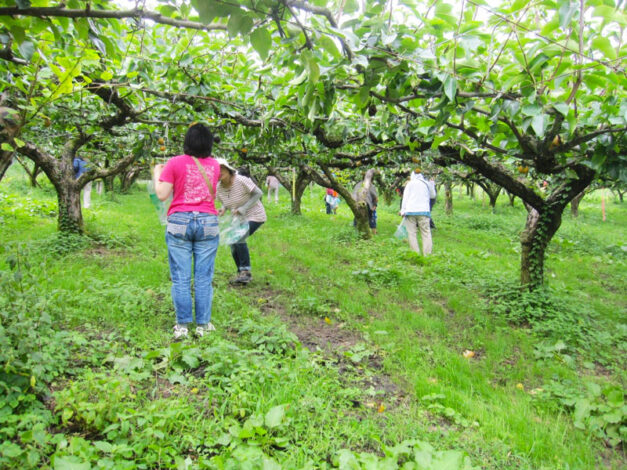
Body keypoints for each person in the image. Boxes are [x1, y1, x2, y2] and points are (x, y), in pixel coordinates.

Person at [153, 123, 220, 340]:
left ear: (187, 142)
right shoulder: (215, 166)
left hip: (180, 220)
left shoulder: (174, 163)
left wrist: (157, 174)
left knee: (181, 276)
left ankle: (182, 326)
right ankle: (203, 325)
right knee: (204, 276)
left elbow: (162, 194)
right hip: (207, 222)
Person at [216, 158, 266, 284]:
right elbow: (226, 202)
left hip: (255, 215)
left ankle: (245, 271)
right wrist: (223, 209)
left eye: (222, 169)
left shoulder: (240, 180)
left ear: (228, 170)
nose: (219, 172)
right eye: (216, 170)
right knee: (232, 241)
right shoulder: (219, 187)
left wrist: (243, 208)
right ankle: (241, 273)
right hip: (238, 218)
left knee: (238, 237)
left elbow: (258, 193)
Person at [400, 168, 436, 256]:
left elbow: (405, 198)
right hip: (423, 211)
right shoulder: (426, 183)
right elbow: (433, 195)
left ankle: (415, 254)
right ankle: (427, 255)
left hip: (410, 211)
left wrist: (402, 210)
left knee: (412, 233)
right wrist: (432, 185)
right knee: (426, 233)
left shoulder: (410, 184)